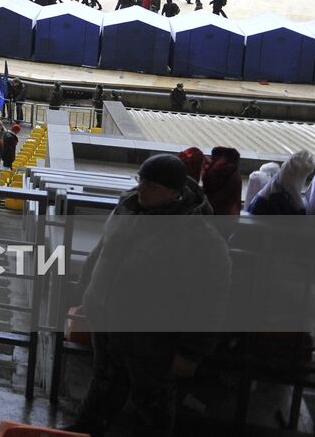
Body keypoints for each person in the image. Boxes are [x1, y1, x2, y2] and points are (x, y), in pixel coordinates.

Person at [69, 154, 230, 437]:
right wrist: (87, 293)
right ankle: (84, 431)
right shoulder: (127, 208)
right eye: (141, 181)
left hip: (152, 340)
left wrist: (191, 353)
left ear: (174, 192)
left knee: (152, 403)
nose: (142, 189)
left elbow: (211, 301)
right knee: (104, 384)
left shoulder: (201, 240)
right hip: (106, 324)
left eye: (152, 186)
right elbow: (102, 252)